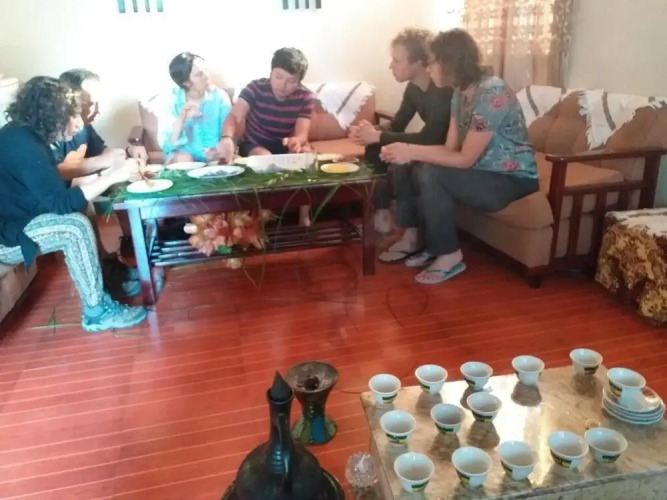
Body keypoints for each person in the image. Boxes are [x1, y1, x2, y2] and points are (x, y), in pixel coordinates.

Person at [379, 29, 539, 285]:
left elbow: (465, 159)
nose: (428, 68)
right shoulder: (460, 93)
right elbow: (449, 148)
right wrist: (407, 150)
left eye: (432, 62)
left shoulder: (492, 93)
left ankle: (449, 254)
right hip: (482, 172)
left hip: (510, 179)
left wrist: (412, 150)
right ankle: (429, 244)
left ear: (450, 63)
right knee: (418, 166)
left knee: (432, 173)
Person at [0, 76, 148, 332]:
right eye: (73, 115)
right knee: (74, 227)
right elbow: (60, 203)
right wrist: (112, 176)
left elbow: (53, 191)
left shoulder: (24, 135)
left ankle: (107, 277)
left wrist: (109, 172)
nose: (79, 123)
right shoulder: (24, 146)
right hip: (7, 237)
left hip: (21, 217)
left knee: (80, 205)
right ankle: (96, 312)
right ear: (52, 115)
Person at [350, 28, 453, 234]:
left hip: (444, 149)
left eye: (396, 60)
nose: (391, 66)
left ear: (418, 63)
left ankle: (411, 233)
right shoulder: (413, 88)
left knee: (400, 164)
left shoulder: (442, 90)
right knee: (374, 146)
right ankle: (382, 216)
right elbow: (397, 124)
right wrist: (369, 132)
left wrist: (378, 135)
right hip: (429, 145)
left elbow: (430, 138)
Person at [218, 47, 315, 225]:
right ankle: (265, 217)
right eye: (278, 76)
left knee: (307, 156)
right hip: (256, 144)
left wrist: (296, 141)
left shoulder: (306, 96)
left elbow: (302, 134)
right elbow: (234, 116)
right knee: (265, 158)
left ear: (299, 82)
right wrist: (226, 138)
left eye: (291, 81)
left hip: (286, 144)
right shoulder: (255, 88)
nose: (283, 85)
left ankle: (304, 218)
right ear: (271, 72)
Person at [53, 68, 148, 181]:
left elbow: (101, 151)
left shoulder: (85, 126)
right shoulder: (52, 130)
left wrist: (128, 151)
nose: (97, 110)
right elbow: (53, 172)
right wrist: (104, 162)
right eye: (90, 104)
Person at [158, 52, 232, 164]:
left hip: (213, 158)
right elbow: (166, 145)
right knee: (184, 159)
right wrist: (181, 119)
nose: (206, 76)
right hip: (182, 158)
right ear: (186, 82)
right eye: (199, 74)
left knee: (222, 159)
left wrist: (218, 150)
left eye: (206, 70)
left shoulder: (219, 96)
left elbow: (228, 131)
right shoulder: (171, 100)